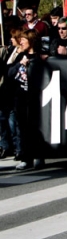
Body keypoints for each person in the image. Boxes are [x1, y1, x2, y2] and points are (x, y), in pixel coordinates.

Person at [9, 30, 42, 171]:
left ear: (31, 41)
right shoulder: (21, 57)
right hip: (21, 99)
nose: (20, 42)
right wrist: (20, 65)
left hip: (35, 99)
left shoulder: (40, 59)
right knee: (22, 129)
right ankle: (25, 157)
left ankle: (39, 155)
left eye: (23, 39)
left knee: (36, 128)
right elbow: (9, 73)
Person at [0, 28, 23, 160]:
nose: (11, 40)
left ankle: (16, 147)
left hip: (14, 91)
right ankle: (5, 146)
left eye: (13, 38)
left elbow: (12, 71)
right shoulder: (10, 51)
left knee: (13, 121)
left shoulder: (21, 54)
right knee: (2, 120)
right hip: (5, 90)